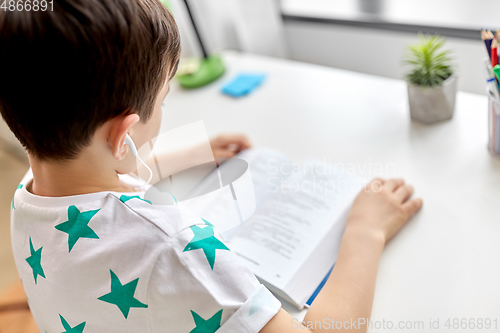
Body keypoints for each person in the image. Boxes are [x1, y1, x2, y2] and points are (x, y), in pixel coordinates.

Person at [0, 1, 423, 332]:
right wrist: (366, 231)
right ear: (123, 133)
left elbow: (97, 174)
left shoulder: (31, 193)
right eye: (164, 99)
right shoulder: (178, 250)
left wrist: (181, 152)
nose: (163, 108)